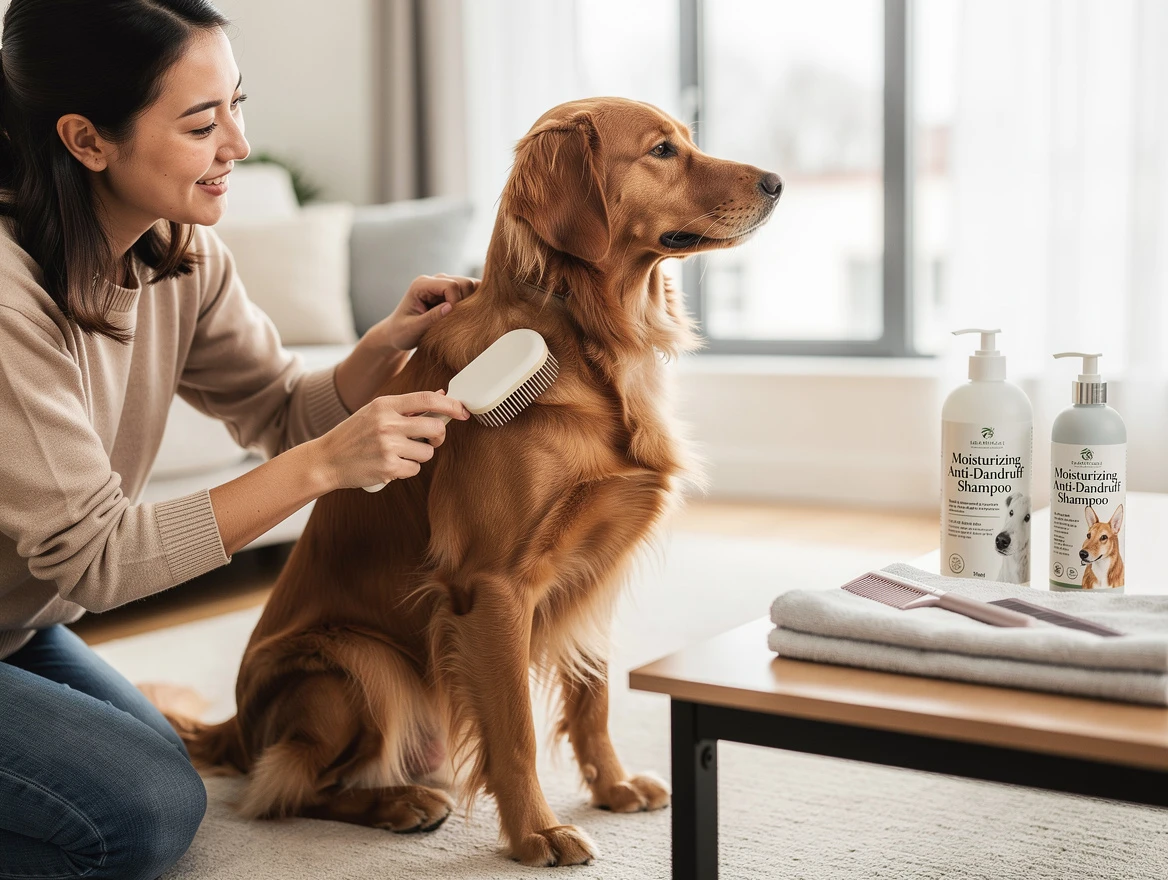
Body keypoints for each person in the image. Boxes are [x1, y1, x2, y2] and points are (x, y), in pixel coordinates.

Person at [0, 1, 473, 876]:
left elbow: (281, 410)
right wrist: (325, 466)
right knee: (138, 817)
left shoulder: (177, 251)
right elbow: (96, 561)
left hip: (16, 627)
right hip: (41, 606)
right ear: (86, 139)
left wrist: (385, 344)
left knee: (167, 771)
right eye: (200, 122)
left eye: (237, 105)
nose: (239, 145)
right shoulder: (8, 300)